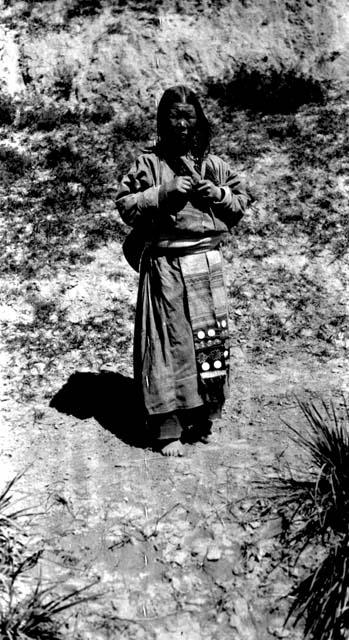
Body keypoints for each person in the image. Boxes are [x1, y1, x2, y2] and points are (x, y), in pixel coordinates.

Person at [116, 85, 247, 456]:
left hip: (206, 263)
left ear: (199, 120)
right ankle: (167, 427)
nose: (183, 125)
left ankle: (200, 418)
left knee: (206, 344)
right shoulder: (148, 164)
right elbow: (125, 205)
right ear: (163, 120)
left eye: (189, 117)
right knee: (168, 345)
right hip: (166, 265)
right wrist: (163, 192)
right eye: (175, 117)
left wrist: (217, 195)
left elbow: (239, 204)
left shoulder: (215, 164)